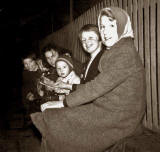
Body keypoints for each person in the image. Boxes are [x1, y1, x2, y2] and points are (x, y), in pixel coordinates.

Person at [31, 7, 146, 152]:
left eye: (112, 25)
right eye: (102, 27)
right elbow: (95, 85)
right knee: (54, 119)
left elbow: (96, 87)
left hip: (120, 116)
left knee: (55, 120)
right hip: (110, 108)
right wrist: (65, 91)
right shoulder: (116, 51)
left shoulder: (124, 53)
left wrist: (63, 103)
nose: (105, 31)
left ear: (122, 26)